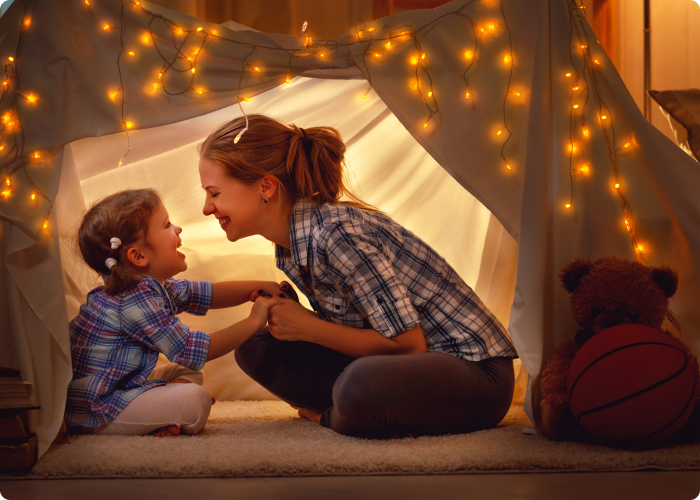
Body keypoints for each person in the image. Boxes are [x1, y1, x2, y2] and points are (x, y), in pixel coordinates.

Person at [198, 114, 518, 438]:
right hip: (402, 368)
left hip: (475, 375)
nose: (207, 209)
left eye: (214, 193)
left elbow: (408, 346)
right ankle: (357, 409)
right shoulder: (291, 246)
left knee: (361, 384)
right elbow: (361, 328)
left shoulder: (338, 235)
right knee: (256, 345)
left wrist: (309, 327)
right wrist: (296, 320)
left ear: (265, 187)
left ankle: (334, 417)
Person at [66, 188, 283, 437]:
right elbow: (190, 350)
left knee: (187, 373)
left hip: (121, 383)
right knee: (195, 400)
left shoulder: (150, 287)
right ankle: (157, 413)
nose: (177, 229)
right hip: (97, 404)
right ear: (138, 256)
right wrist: (255, 320)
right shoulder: (132, 301)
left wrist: (257, 288)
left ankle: (161, 413)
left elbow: (207, 294)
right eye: (167, 224)